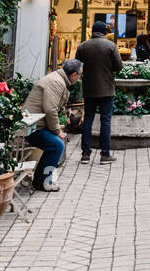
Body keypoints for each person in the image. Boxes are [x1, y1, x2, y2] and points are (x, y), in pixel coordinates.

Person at [21, 59, 82, 191]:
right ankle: (43, 181)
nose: (80, 77)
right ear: (73, 74)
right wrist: (57, 131)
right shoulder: (56, 82)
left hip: (36, 124)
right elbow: (50, 109)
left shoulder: (58, 80)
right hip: (33, 126)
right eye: (80, 74)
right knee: (56, 145)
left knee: (55, 145)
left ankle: (39, 180)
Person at [75, 18, 123, 164]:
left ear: (92, 32)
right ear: (104, 32)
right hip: (107, 90)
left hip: (89, 89)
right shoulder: (111, 46)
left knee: (88, 120)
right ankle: (105, 154)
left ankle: (85, 153)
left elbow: (77, 67)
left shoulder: (83, 47)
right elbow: (119, 67)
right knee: (105, 121)